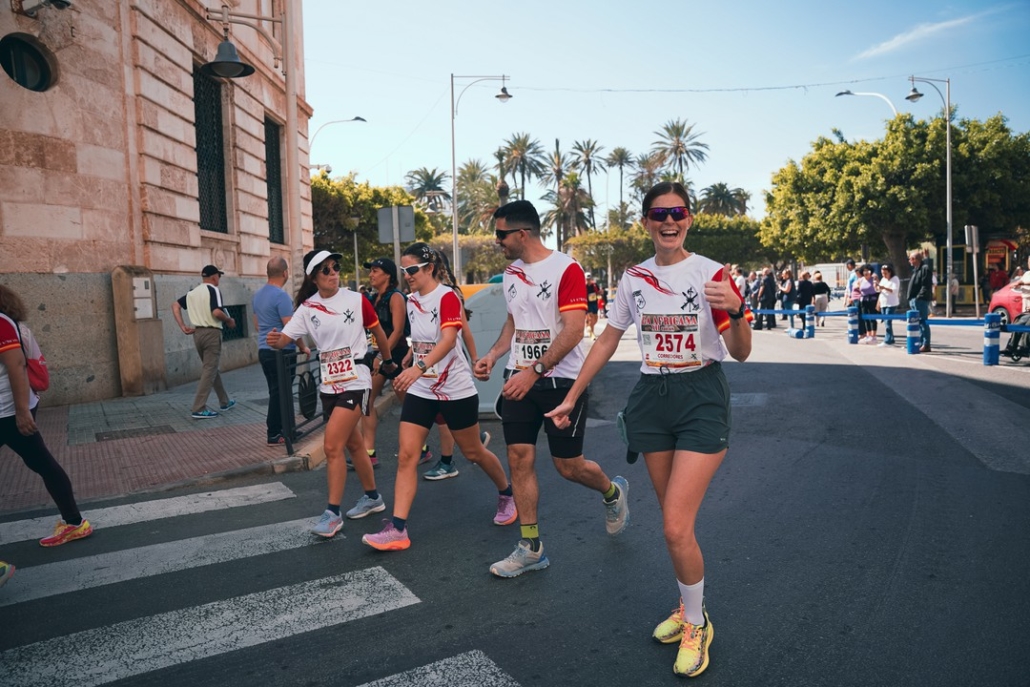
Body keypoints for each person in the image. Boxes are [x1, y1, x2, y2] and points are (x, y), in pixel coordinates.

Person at [547, 182, 752, 679]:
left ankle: (697, 623)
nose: (669, 221)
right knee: (672, 523)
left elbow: (741, 352)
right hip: (652, 399)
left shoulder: (711, 274)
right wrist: (572, 395)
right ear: (646, 222)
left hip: (701, 397)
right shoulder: (633, 277)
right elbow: (607, 340)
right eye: (659, 214)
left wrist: (736, 308)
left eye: (677, 212)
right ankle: (687, 606)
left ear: (689, 219)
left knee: (675, 527)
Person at [472, 200, 629, 579]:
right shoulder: (511, 273)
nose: (497, 241)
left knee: (568, 466)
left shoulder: (566, 268)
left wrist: (535, 371)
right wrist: (494, 355)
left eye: (501, 234)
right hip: (519, 379)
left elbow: (573, 330)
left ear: (522, 233)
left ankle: (612, 493)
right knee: (518, 457)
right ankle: (531, 547)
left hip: (561, 382)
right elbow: (514, 323)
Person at [361, 242, 516, 552]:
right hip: (422, 390)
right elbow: (421, 339)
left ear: (429, 268)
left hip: (455, 389)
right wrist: (410, 357)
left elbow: (448, 340)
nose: (407, 275)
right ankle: (398, 529)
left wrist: (421, 367)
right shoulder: (410, 301)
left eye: (412, 270)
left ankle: (506, 493)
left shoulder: (446, 297)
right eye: (403, 270)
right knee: (407, 455)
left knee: (473, 452)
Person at [267, 250, 397, 535]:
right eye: (325, 269)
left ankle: (332, 513)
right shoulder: (307, 308)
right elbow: (285, 339)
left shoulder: (356, 299)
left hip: (357, 381)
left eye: (335, 266)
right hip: (329, 385)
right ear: (314, 278)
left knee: (331, 446)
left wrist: (387, 362)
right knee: (354, 445)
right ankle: (373, 498)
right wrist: (275, 341)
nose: (333, 272)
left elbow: (378, 332)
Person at [0, 285, 94, 548]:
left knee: (42, 462)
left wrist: (22, 412)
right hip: (13, 409)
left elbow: (16, 365)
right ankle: (74, 522)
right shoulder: (13, 324)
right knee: (41, 462)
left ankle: (75, 523)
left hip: (8, 411)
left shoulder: (2, 324)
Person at [359, 257, 410, 469]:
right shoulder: (372, 298)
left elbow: (397, 331)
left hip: (396, 357)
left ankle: (421, 448)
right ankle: (368, 453)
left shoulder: (396, 297)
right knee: (366, 401)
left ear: (387, 275)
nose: (371, 274)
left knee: (410, 406)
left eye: (375, 271)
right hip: (378, 357)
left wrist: (382, 356)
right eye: (370, 270)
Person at [253, 257, 309, 445]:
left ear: (268, 273)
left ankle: (286, 430)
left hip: (264, 350)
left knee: (276, 391)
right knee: (281, 392)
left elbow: (257, 325)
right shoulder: (281, 296)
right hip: (282, 352)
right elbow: (291, 327)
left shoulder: (257, 296)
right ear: (285, 273)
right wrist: (302, 346)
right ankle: (276, 432)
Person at [172, 265, 237, 419]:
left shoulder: (192, 293)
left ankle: (224, 401)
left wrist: (182, 326)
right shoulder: (213, 290)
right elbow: (216, 312)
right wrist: (228, 320)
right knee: (209, 369)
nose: (219, 279)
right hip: (212, 333)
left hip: (197, 334)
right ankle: (199, 408)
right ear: (214, 277)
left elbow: (175, 305)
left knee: (211, 368)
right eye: (219, 276)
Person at [907, 250, 934, 352]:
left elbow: (926, 285)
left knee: (923, 322)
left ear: (915, 259)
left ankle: (926, 344)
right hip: (914, 300)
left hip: (920, 300)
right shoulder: (916, 269)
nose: (909, 261)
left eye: (910, 259)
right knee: (917, 323)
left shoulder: (924, 268)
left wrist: (919, 297)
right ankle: (920, 342)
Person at [876, 264, 901, 346]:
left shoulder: (895, 279)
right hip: (883, 302)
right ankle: (891, 338)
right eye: (882, 273)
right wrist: (878, 287)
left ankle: (888, 340)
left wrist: (884, 287)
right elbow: (879, 290)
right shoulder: (883, 279)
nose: (884, 275)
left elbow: (894, 290)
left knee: (888, 321)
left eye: (885, 273)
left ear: (890, 272)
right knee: (885, 321)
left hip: (891, 303)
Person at [857, 264, 879, 344]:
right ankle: (868, 334)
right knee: (865, 318)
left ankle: (873, 336)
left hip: (872, 300)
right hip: (863, 300)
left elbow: (878, 287)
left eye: (867, 271)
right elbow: (858, 288)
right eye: (864, 271)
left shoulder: (873, 278)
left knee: (872, 318)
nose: (866, 272)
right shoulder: (861, 280)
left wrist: (876, 282)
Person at [584, 272, 603, 339]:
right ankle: (592, 333)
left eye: (589, 279)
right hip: (587, 304)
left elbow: (598, 292)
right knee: (591, 318)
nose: (588, 281)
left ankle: (588, 325)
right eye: (587, 279)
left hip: (594, 303)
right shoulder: (583, 286)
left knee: (595, 319)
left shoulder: (594, 285)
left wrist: (600, 292)